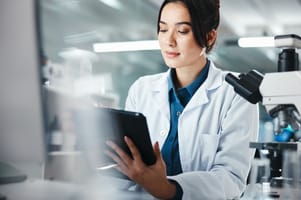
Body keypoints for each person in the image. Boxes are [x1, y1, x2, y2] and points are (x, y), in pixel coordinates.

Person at [105, 0, 259, 199]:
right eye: (162, 29)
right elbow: (130, 167)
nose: (169, 40)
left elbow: (231, 179)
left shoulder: (236, 93)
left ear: (209, 37)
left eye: (182, 31)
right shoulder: (141, 89)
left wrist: (168, 190)